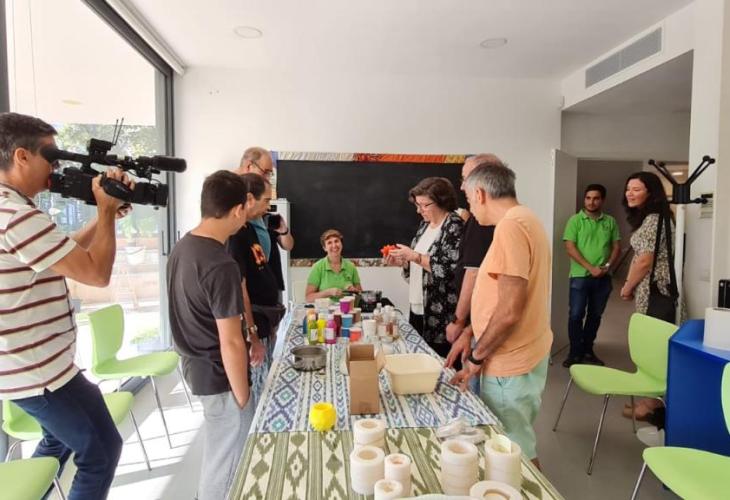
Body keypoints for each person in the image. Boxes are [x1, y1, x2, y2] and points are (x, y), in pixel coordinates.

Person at [0, 112, 134, 499]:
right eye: (52, 157)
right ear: (22, 156)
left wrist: (105, 217)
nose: (56, 168)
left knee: (56, 443)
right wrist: (105, 212)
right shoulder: (15, 217)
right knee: (100, 452)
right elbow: (96, 274)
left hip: (36, 367)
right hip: (38, 372)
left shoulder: (13, 209)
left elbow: (62, 253)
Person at [450, 162, 553, 468]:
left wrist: (476, 358)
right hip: (523, 349)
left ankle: (529, 489)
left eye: (469, 198)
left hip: (509, 359)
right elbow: (502, 298)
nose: (470, 207)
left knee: (513, 449)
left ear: (480, 194)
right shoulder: (525, 218)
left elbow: (509, 311)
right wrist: (471, 331)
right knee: (513, 442)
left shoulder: (510, 227)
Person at [167, 170, 254, 500]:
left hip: (195, 366)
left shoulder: (182, 247)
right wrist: (243, 398)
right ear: (238, 210)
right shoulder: (220, 264)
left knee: (218, 448)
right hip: (219, 375)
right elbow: (231, 340)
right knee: (226, 461)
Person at [619, 171, 677, 421]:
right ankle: (648, 399)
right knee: (650, 344)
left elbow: (644, 261)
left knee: (652, 347)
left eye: (636, 189)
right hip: (651, 288)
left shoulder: (654, 220)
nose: (630, 194)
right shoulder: (653, 218)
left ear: (650, 193)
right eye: (628, 189)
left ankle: (651, 404)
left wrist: (627, 287)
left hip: (655, 289)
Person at [386, 177, 463, 357]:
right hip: (418, 305)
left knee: (439, 363)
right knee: (419, 358)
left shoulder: (454, 225)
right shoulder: (424, 225)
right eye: (417, 204)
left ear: (442, 201)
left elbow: (449, 270)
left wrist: (414, 256)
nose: (419, 210)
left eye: (424, 205)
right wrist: (404, 262)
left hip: (441, 312)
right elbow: (420, 266)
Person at [227, 175, 286, 407]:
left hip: (265, 321)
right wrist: (252, 335)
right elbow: (240, 289)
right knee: (263, 389)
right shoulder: (235, 237)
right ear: (249, 199)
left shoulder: (250, 228)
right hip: (255, 324)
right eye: (266, 201)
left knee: (268, 375)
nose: (268, 207)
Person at [444, 154, 500, 375]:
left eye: (465, 179)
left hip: (483, 327)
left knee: (472, 380)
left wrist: (459, 321)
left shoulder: (483, 220)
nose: (461, 186)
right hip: (477, 322)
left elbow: (474, 272)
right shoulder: (482, 218)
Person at [561, 183, 621, 367]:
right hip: (580, 276)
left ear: (602, 200)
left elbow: (616, 247)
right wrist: (590, 267)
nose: (591, 202)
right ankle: (574, 353)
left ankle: (588, 350)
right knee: (576, 315)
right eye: (588, 198)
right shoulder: (575, 221)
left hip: (603, 278)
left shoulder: (610, 221)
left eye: (596, 198)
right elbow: (570, 247)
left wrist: (607, 266)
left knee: (595, 316)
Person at [234, 147, 294, 295]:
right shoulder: (236, 217)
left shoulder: (263, 214)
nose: (267, 207)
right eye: (265, 172)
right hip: (252, 289)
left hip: (269, 281)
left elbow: (288, 245)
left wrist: (283, 230)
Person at [305, 229, 362, 301]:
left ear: (341, 244)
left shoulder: (351, 266)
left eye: (336, 241)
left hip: (347, 308)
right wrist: (328, 292)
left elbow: (360, 295)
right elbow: (308, 297)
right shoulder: (318, 267)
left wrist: (354, 291)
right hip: (325, 308)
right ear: (324, 248)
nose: (334, 245)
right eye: (329, 243)